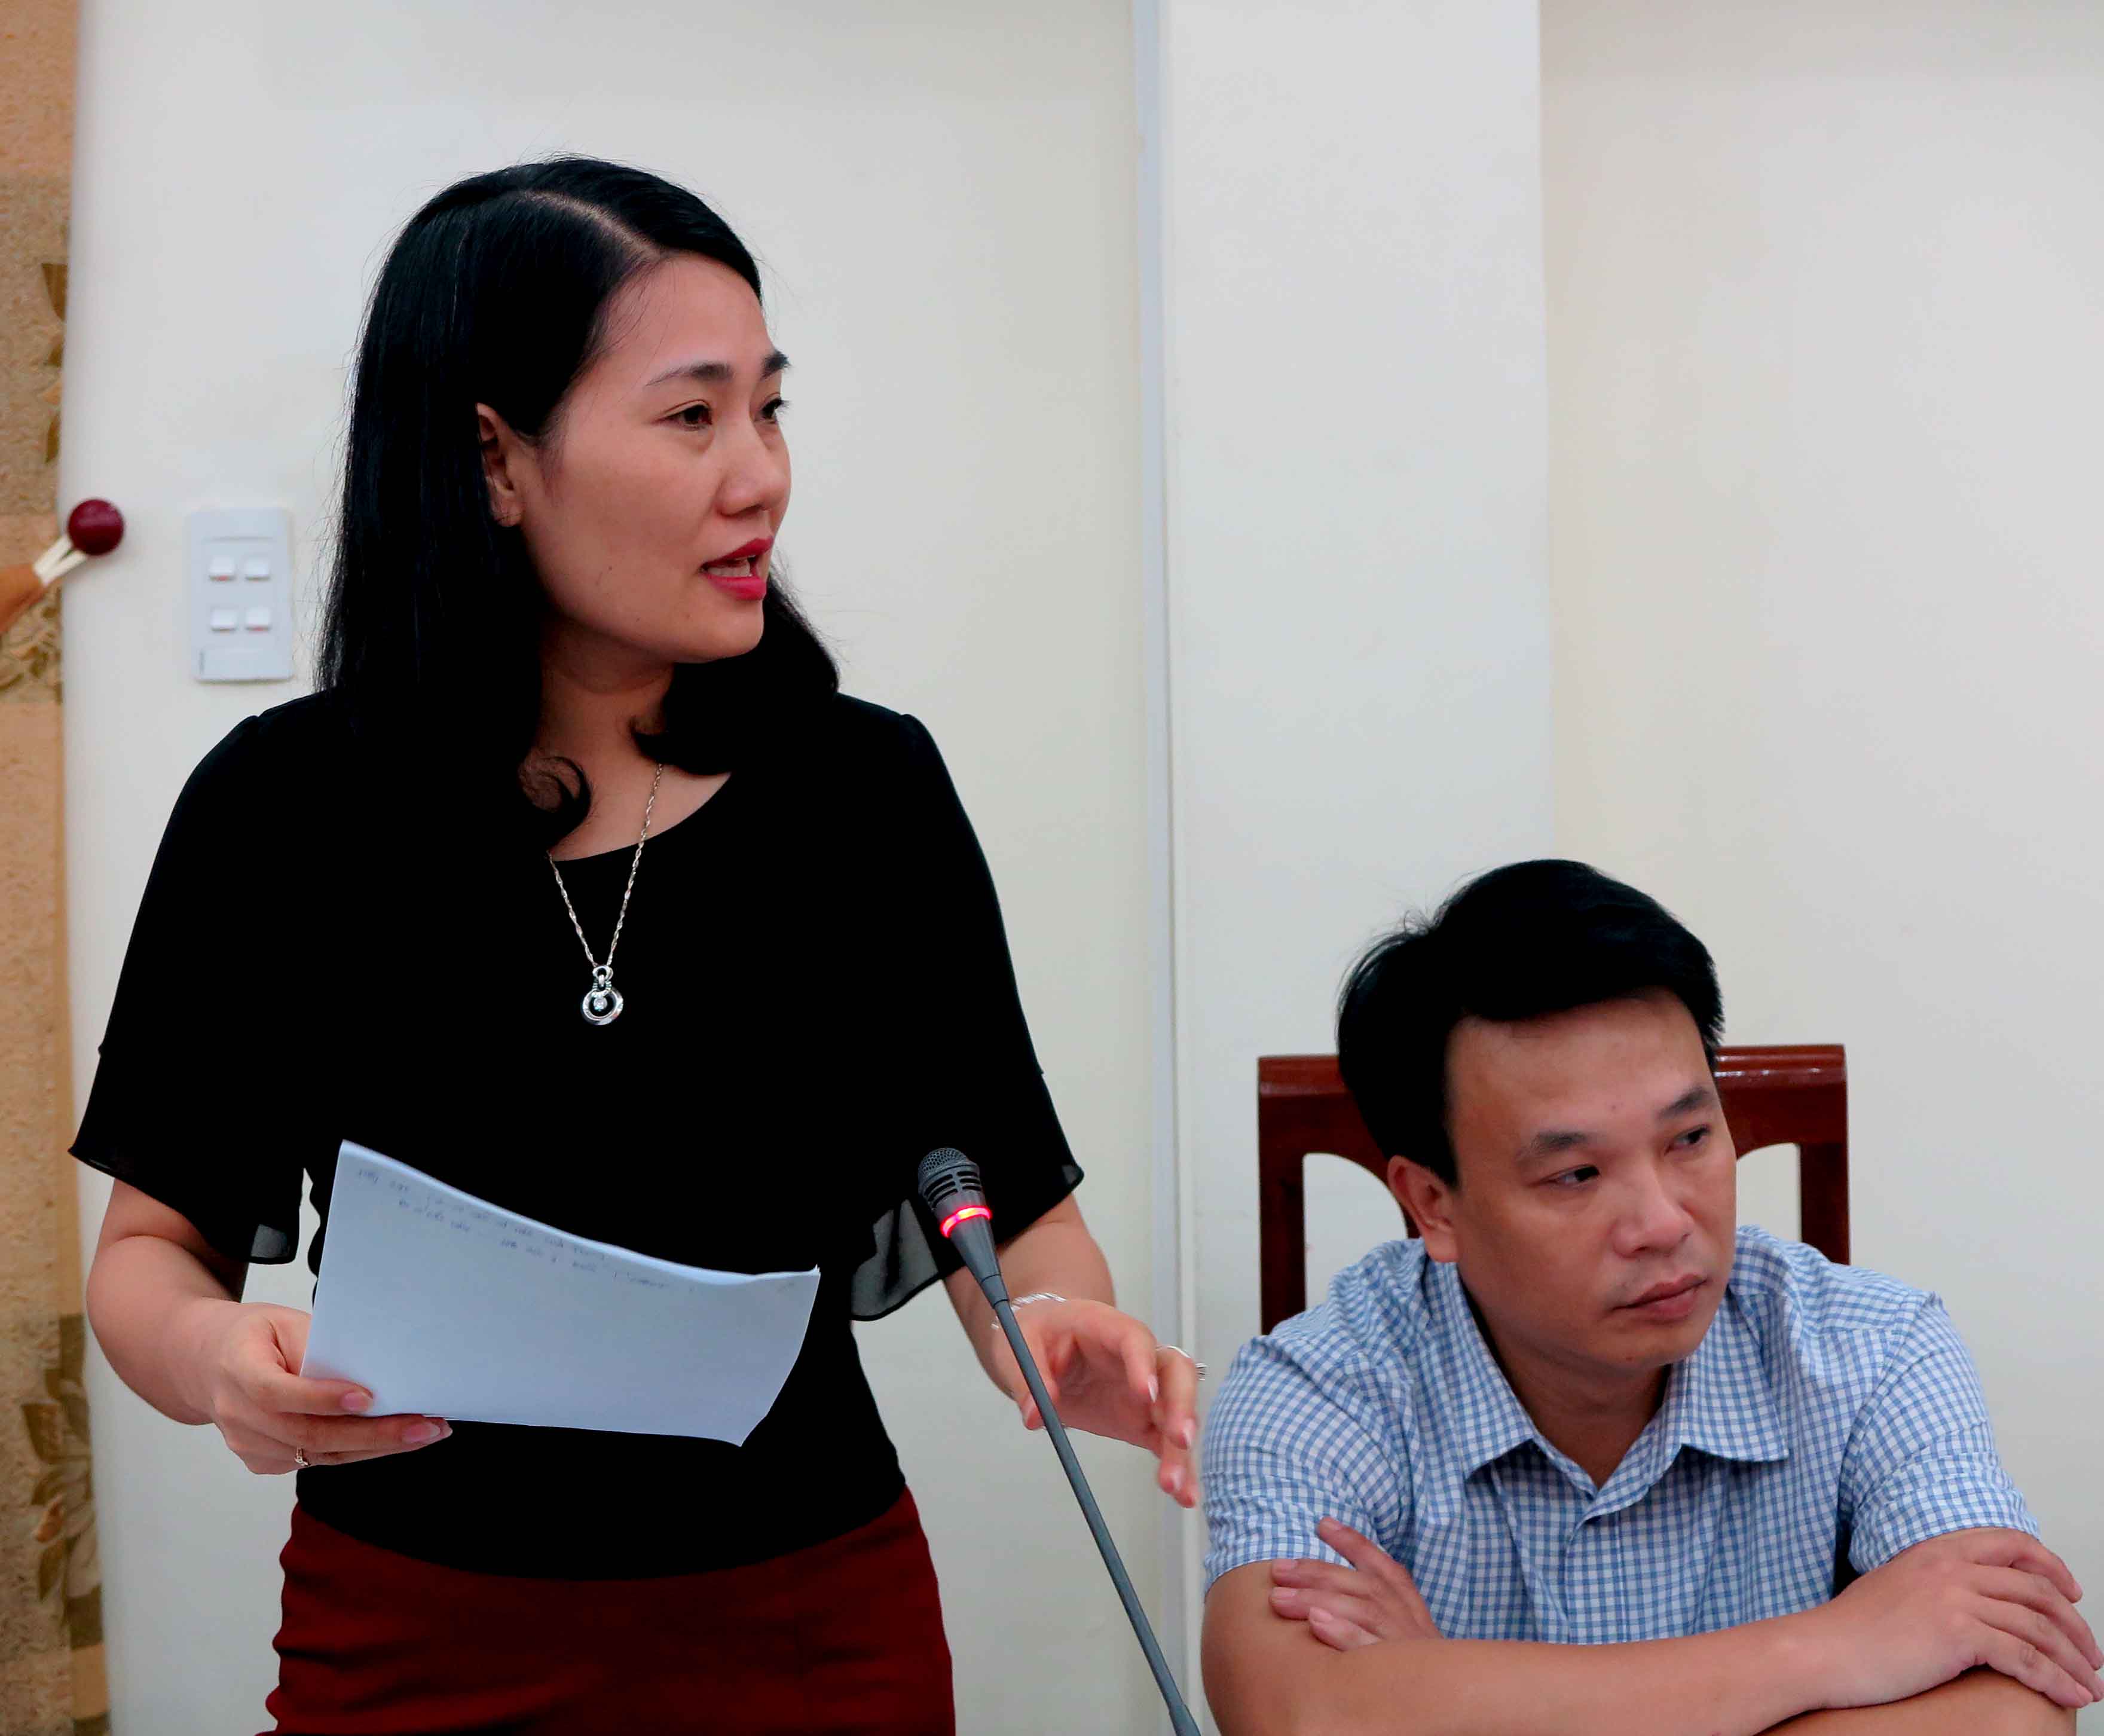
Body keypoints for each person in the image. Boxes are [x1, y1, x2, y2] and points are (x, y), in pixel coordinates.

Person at [74, 157, 1198, 1736]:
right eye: (692, 417)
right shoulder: (285, 807)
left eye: (769, 411)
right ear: (493, 458)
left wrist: (1058, 1324)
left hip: (809, 1627)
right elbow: (148, 1259)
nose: (760, 479)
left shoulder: (865, 790)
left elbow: (1007, 1207)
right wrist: (214, 1360)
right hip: (411, 1643)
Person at [1200, 860, 2100, 1734]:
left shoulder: (1877, 1349)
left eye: (1691, 1138)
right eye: (1577, 1174)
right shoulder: (1319, 1391)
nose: (1663, 1222)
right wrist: (1833, 1647)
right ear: (1433, 1204)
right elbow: (1295, 1712)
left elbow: (2013, 1708)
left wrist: (1453, 1703)